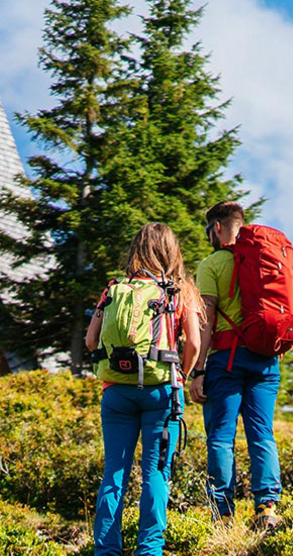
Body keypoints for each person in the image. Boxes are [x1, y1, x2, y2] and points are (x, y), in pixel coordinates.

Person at [88, 223, 204, 556]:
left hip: (116, 392)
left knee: (115, 472)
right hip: (162, 391)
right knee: (155, 472)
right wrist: (182, 370)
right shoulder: (181, 289)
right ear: (172, 250)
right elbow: (194, 342)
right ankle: (149, 550)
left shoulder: (114, 288)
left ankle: (106, 550)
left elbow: (91, 340)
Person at [187, 201, 284, 528]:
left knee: (220, 436)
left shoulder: (212, 264)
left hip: (225, 360)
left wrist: (198, 369)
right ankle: (267, 508)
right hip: (265, 359)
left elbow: (207, 317)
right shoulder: (266, 259)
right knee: (262, 434)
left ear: (216, 227)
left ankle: (223, 514)